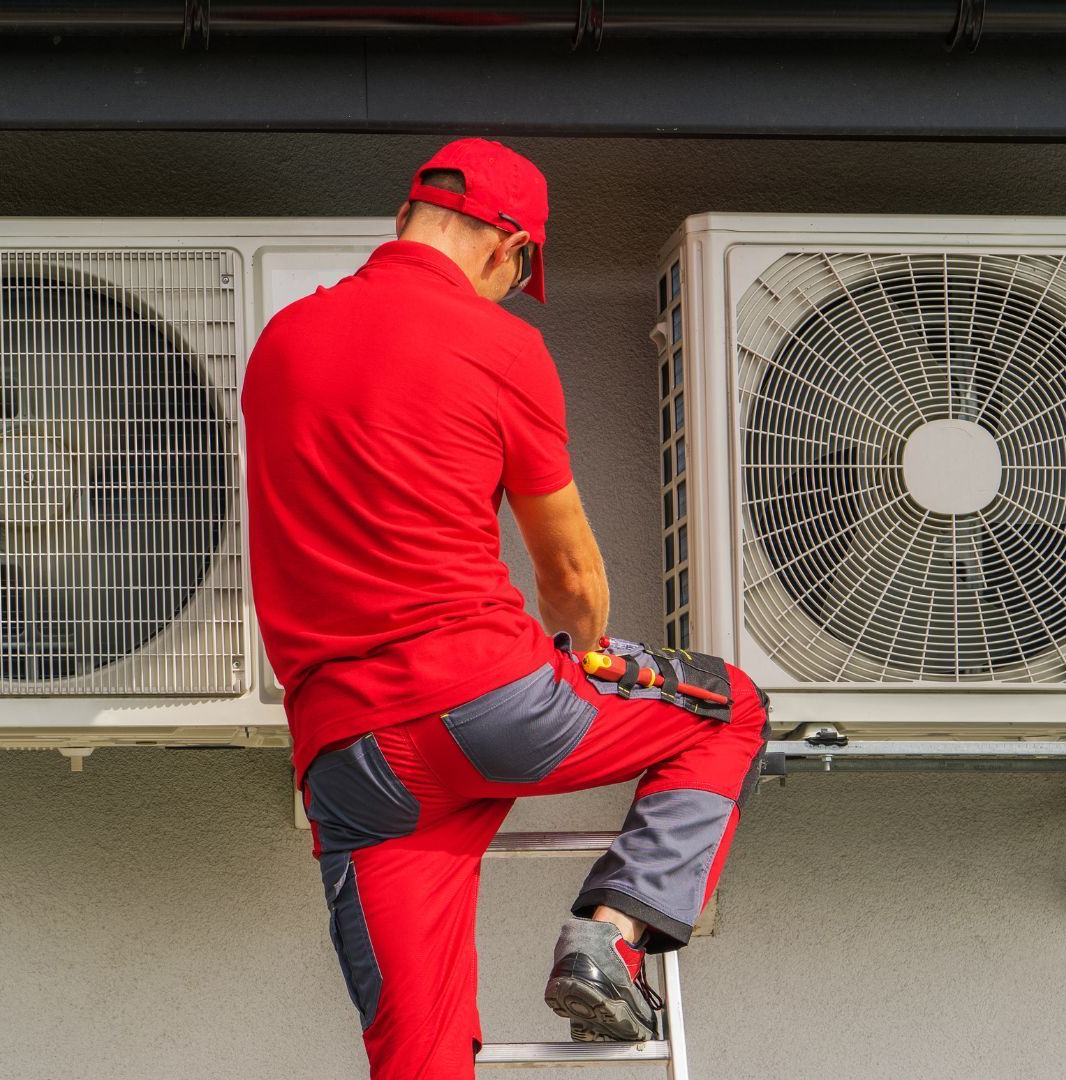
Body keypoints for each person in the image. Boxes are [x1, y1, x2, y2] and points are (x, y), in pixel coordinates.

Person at [242, 137, 770, 1080]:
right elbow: (567, 572)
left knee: (418, 1052)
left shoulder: (280, 341)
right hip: (488, 704)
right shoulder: (500, 345)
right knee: (727, 709)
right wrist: (587, 649)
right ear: (504, 246)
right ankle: (608, 940)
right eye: (517, 272)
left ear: (405, 219)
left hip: (350, 757)